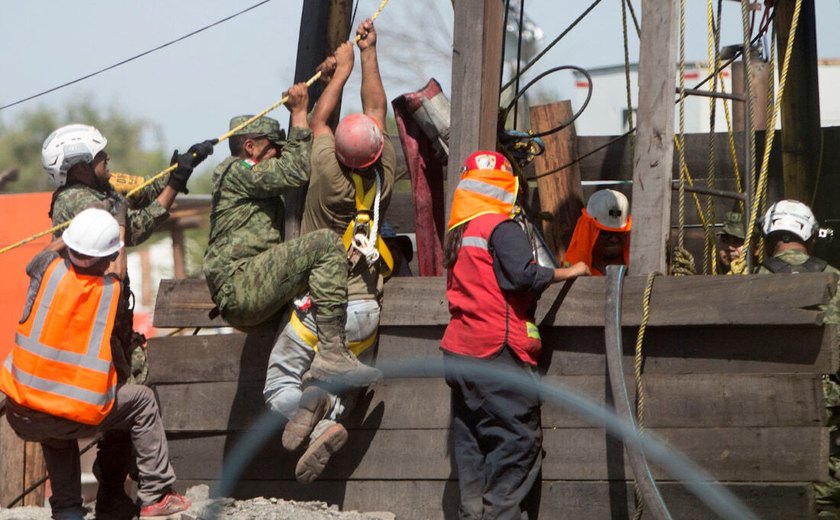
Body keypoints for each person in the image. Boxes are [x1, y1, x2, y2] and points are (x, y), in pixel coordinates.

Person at [42, 124, 213, 518]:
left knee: (128, 401)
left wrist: (177, 172)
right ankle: (146, 492)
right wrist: (173, 189)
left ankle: (111, 496)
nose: (109, 161)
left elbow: (135, 190)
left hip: (111, 326)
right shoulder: (75, 203)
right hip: (96, 329)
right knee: (132, 399)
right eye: (102, 157)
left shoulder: (97, 189)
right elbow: (132, 227)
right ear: (82, 166)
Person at [264, 19, 395, 484]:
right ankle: (328, 411)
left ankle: (316, 411)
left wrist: (340, 69)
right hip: (365, 310)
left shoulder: (325, 171)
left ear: (337, 149)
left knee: (279, 384)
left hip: (318, 312)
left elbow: (318, 119)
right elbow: (375, 106)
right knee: (337, 384)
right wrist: (369, 54)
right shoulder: (383, 176)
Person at [0, 208, 190, 520]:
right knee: (141, 401)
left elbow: (47, 255)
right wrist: (120, 221)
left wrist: (70, 236)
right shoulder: (110, 291)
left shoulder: (45, 270)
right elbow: (118, 265)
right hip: (69, 412)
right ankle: (155, 495)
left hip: (22, 410)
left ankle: (68, 510)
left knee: (55, 427)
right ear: (107, 255)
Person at [441, 151, 591, 519]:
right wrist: (567, 273)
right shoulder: (500, 227)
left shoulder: (460, 231)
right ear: (507, 187)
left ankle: (473, 514)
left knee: (471, 441)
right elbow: (522, 276)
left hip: (460, 351)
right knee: (516, 441)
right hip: (497, 349)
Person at [202, 82, 381, 389]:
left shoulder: (253, 178)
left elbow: (297, 160)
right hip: (242, 283)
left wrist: (325, 78)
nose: (279, 156)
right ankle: (332, 353)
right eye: (274, 149)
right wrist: (299, 113)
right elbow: (296, 170)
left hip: (251, 288)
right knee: (325, 243)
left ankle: (317, 413)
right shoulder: (236, 170)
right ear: (250, 147)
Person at [755, 200, 840, 518]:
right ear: (812, 238)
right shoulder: (838, 283)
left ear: (766, 237)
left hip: (762, 457)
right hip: (829, 461)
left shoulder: (744, 286)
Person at [563, 189, 632, 275]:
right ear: (589, 232)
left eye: (619, 233)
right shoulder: (571, 269)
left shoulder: (640, 265)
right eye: (605, 233)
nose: (614, 240)